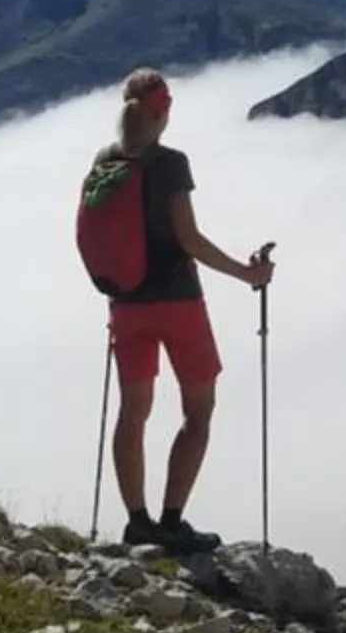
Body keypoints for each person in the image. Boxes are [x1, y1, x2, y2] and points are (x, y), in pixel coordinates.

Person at [102, 65, 271, 555]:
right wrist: (247, 273)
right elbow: (189, 239)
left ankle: (138, 523)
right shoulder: (170, 164)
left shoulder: (105, 161)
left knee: (132, 413)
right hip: (177, 304)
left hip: (125, 304)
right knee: (198, 411)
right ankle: (172, 521)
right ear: (164, 111)